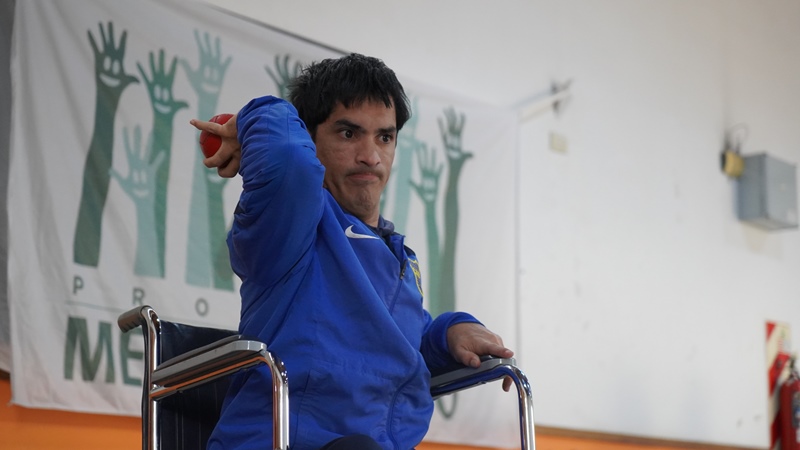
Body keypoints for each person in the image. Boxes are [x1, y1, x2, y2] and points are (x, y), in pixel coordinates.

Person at [191, 53, 513, 450]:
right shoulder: (291, 223)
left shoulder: (397, 255)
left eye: (384, 137)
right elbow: (288, 157)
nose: (371, 156)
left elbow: (397, 345)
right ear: (310, 140)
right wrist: (254, 117)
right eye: (348, 133)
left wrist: (448, 334)